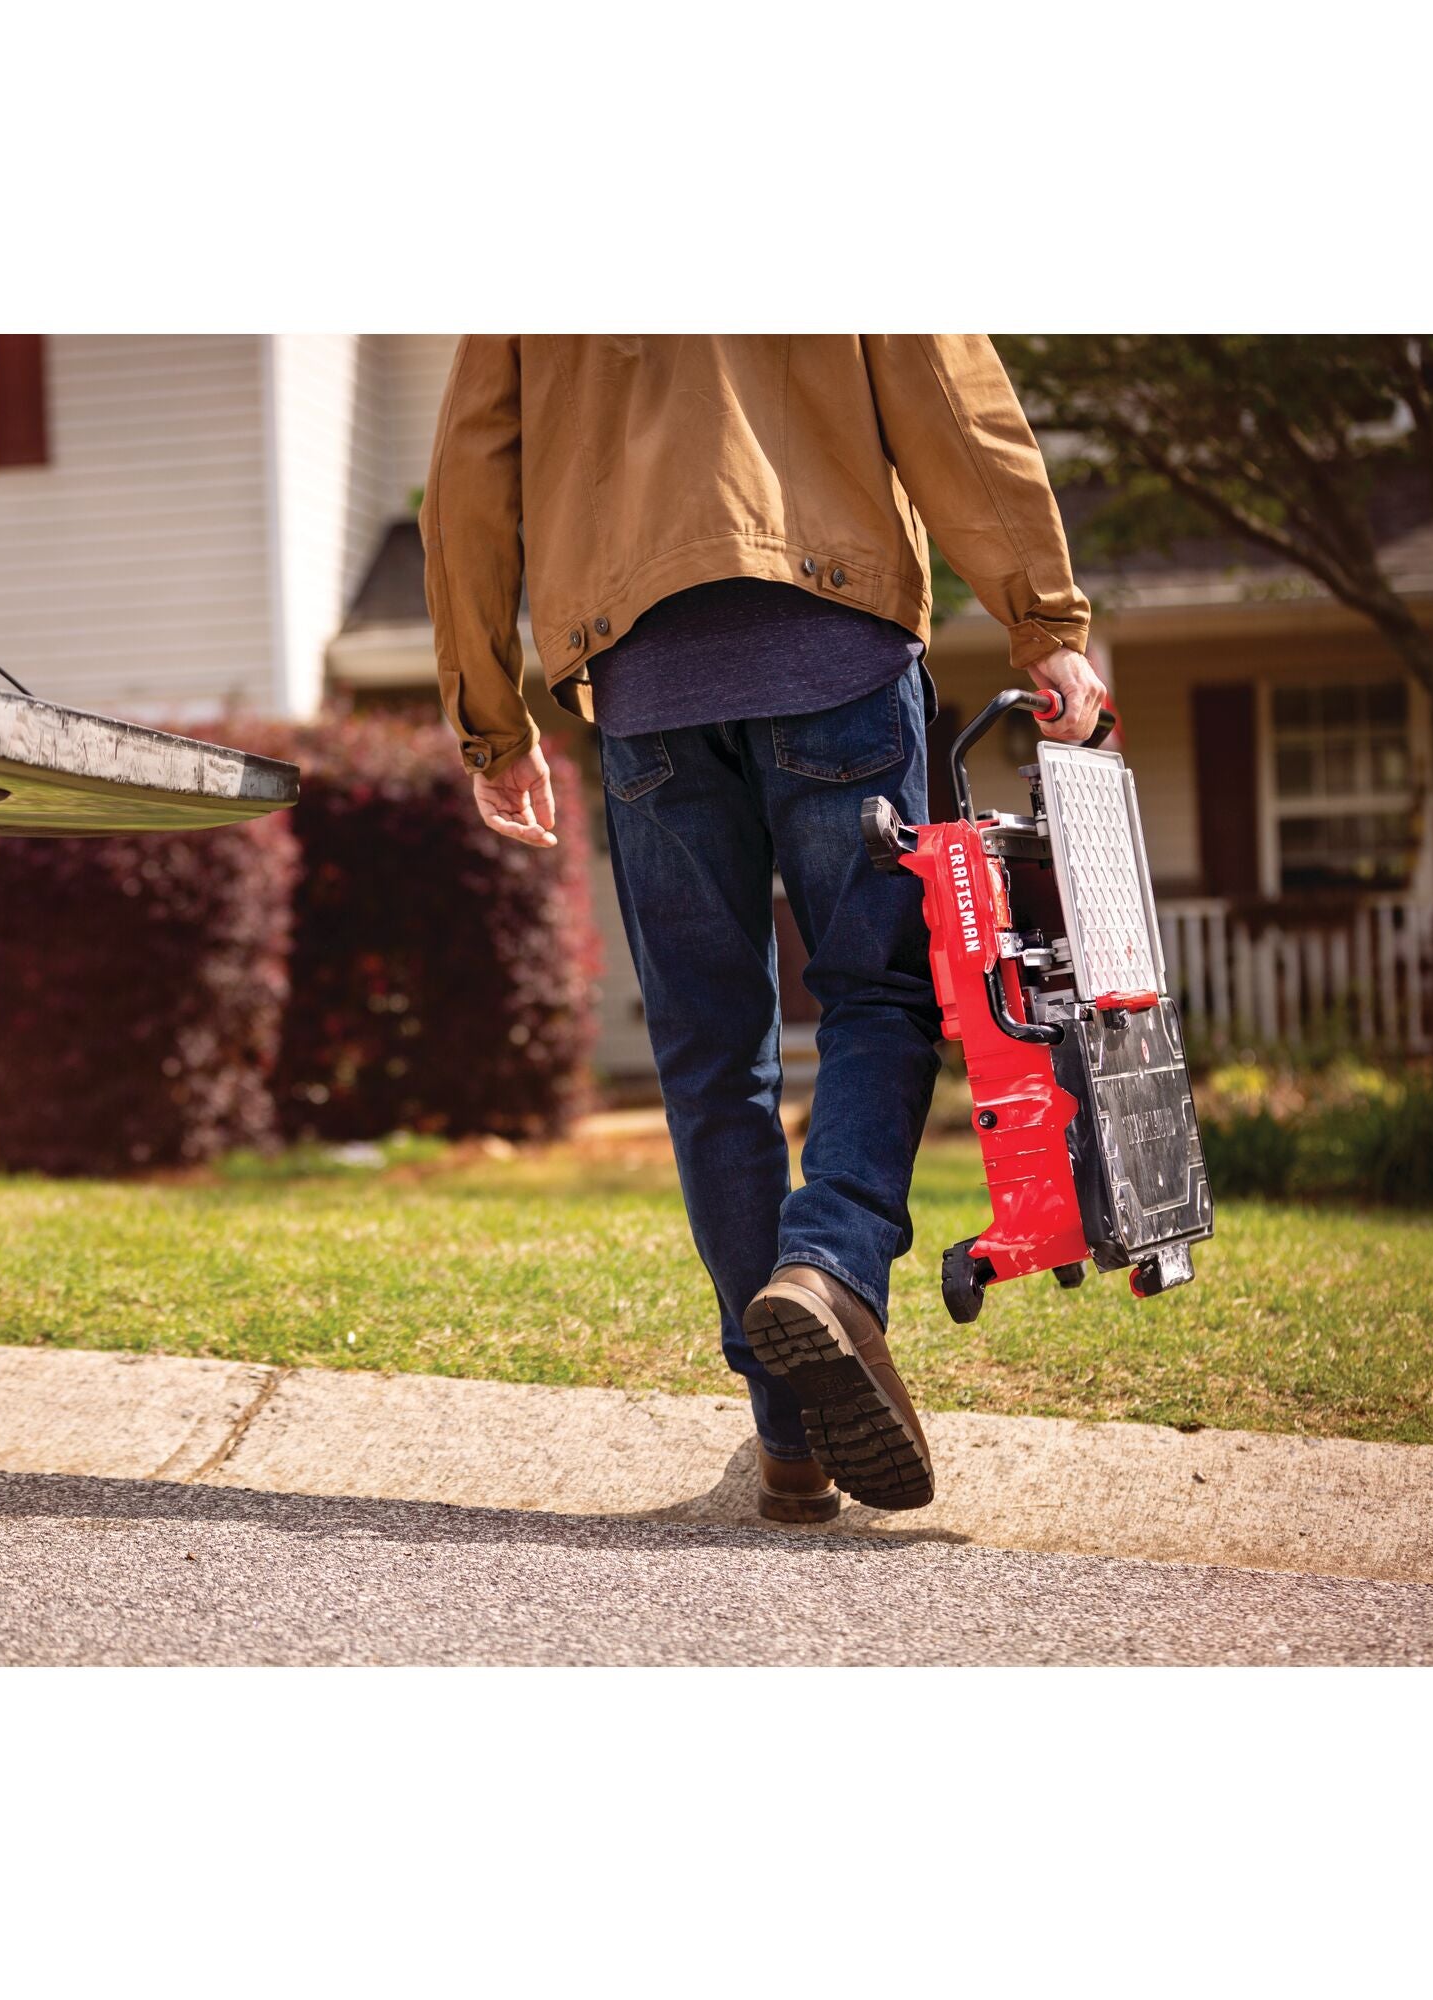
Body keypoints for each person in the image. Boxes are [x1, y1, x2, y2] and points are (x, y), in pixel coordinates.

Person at [419, 336, 1104, 1520]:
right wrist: (1039, 616)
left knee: (706, 1052)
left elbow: (469, 474)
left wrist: (492, 720)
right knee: (878, 992)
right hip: (830, 638)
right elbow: (946, 395)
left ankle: (789, 1433)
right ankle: (830, 1262)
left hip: (640, 683)